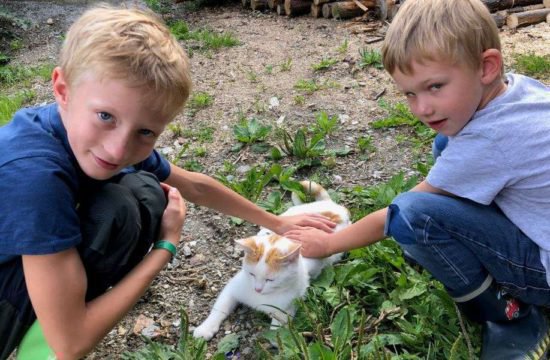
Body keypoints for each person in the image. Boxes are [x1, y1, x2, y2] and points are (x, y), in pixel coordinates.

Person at [0, 5, 336, 360]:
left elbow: (194, 186)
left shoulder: (87, 128)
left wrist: (277, 222)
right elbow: (71, 345)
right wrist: (165, 249)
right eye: (105, 117)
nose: (118, 148)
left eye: (145, 132)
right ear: (62, 89)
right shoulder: (35, 176)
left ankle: (55, 314)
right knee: (118, 215)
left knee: (139, 194)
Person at [285, 0, 550, 358]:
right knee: (446, 142)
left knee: (414, 215)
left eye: (435, 86)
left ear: (486, 67)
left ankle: (509, 314)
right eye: (410, 93)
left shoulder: (488, 141)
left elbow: (399, 214)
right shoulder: (521, 90)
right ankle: (461, 250)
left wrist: (329, 244)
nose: (422, 108)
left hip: (542, 275)